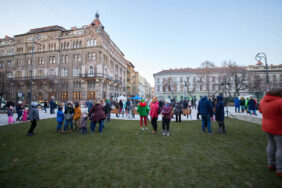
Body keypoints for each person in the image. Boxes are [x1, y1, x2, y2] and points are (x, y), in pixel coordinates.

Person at [259, 88, 282, 177]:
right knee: (280, 148)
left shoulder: (263, 100)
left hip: (267, 126)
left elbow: (260, 111)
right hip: (278, 128)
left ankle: (271, 164)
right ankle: (280, 169)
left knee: (271, 144)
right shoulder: (280, 102)